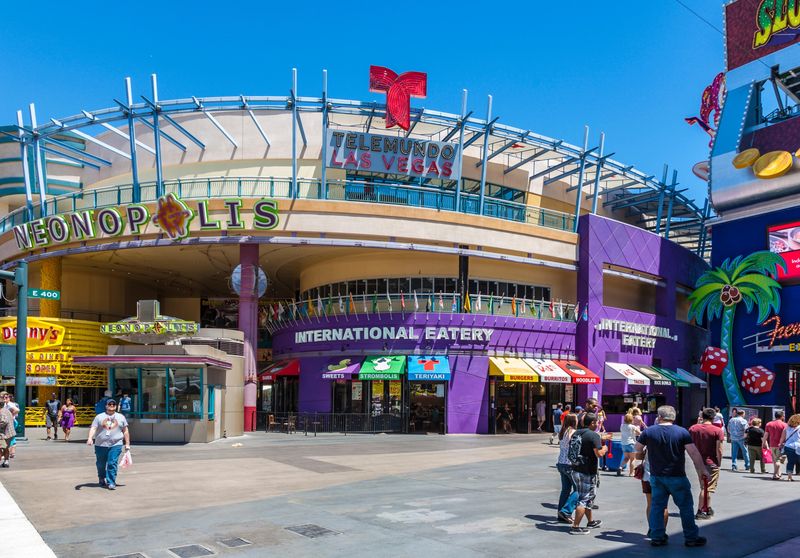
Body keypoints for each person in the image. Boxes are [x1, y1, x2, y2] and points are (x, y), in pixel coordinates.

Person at [635, 405, 709, 548]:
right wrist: (703, 470)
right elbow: (693, 453)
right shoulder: (681, 432)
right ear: (673, 417)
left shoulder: (649, 432)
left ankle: (657, 537)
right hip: (677, 475)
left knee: (657, 507)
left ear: (659, 417)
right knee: (686, 507)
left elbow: (637, 449)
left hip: (657, 476)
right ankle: (691, 537)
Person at [568, 413, 607, 535]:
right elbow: (599, 454)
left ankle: (590, 521)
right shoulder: (593, 435)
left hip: (576, 468)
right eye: (596, 422)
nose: (598, 424)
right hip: (587, 471)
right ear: (593, 423)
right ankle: (575, 526)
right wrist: (604, 448)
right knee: (583, 499)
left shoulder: (576, 433)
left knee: (587, 496)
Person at [86, 399, 131, 490]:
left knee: (112, 463)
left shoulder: (121, 417)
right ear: (106, 406)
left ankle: (111, 482)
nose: (111, 405)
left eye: (113, 404)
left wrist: (127, 444)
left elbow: (125, 431)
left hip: (116, 444)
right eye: (109, 404)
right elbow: (93, 428)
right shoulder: (99, 417)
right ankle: (101, 477)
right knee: (101, 464)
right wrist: (90, 438)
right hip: (100, 445)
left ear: (116, 406)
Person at [688, 408, 724, 520]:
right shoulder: (717, 431)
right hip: (711, 462)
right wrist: (719, 462)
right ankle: (701, 510)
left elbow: (688, 445)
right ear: (714, 417)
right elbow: (719, 449)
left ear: (701, 417)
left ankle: (707, 508)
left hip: (698, 462)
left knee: (704, 485)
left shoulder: (693, 429)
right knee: (707, 488)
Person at [556, 413, 579, 523]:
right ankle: (566, 511)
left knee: (565, 489)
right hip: (570, 464)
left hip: (561, 462)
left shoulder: (563, 432)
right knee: (578, 489)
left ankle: (561, 513)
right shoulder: (573, 432)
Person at [765, 410, 788, 480]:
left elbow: (766, 435)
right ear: (781, 416)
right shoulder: (785, 425)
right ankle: (775, 475)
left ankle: (778, 473)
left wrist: (764, 443)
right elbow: (786, 436)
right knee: (777, 460)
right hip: (781, 445)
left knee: (775, 460)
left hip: (772, 444)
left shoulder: (769, 424)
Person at [778, 413, 800, 482]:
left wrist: (781, 444)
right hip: (798, 446)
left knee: (790, 462)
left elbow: (782, 438)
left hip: (788, 446)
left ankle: (789, 477)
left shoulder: (786, 428)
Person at [0, 395, 15, 468]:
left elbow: (3, 422)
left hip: (4, 433)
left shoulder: (2, 412)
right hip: (10, 432)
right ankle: (6, 462)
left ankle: (5, 461)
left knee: (1, 448)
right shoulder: (6, 410)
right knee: (6, 448)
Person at [3, 393, 19, 459]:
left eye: (6, 397)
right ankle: (12, 452)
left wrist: (12, 416)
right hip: (8, 422)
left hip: (12, 422)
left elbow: (17, 410)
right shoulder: (5, 404)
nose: (4, 398)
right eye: (4, 397)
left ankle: (8, 453)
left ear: (9, 398)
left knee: (9, 437)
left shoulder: (10, 404)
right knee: (11, 437)